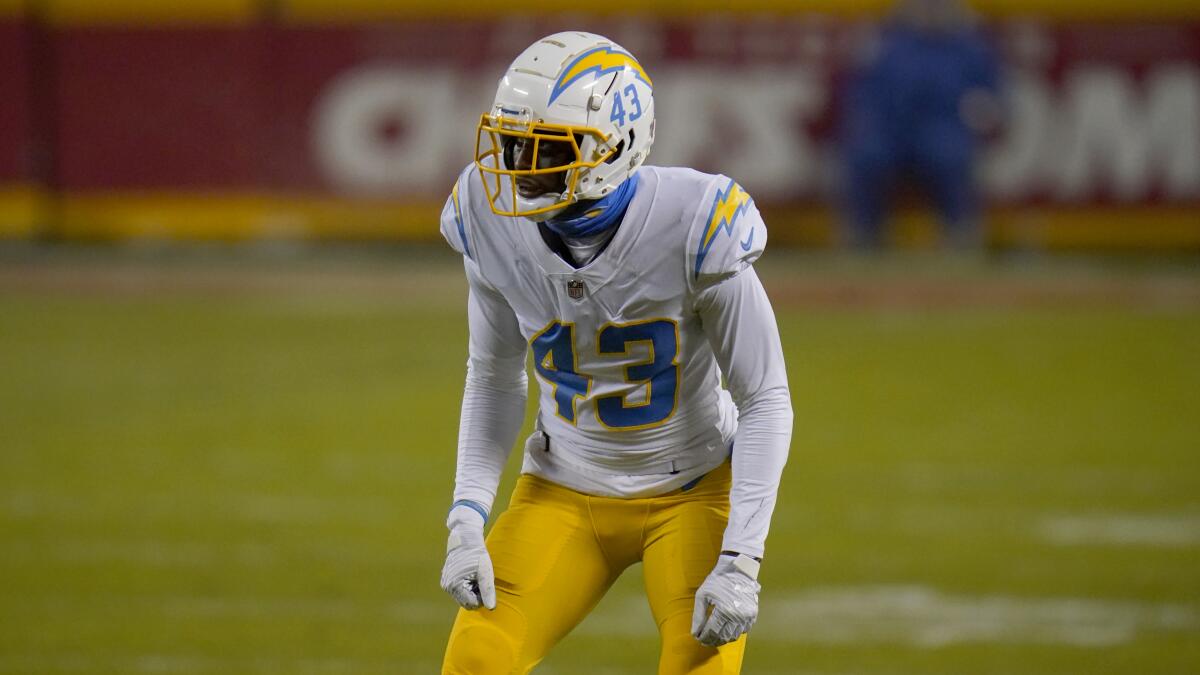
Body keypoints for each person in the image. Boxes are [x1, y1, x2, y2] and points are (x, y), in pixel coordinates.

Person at [436, 31, 793, 674]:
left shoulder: (693, 221)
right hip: (560, 490)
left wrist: (742, 559)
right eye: (512, 143)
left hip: (693, 488)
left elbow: (765, 395)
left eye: (544, 149)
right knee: (476, 660)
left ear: (614, 148)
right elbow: (492, 375)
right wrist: (466, 517)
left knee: (698, 666)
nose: (516, 166)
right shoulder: (486, 220)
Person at [840, 0, 1002, 250]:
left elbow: (990, 95)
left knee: (949, 155)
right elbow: (862, 91)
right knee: (867, 155)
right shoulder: (887, 43)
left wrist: (981, 111)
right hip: (890, 131)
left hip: (943, 128)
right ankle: (863, 237)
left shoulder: (970, 47)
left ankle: (961, 235)